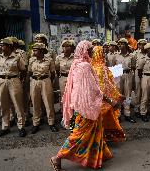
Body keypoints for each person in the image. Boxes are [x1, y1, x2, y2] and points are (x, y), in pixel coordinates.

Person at [50, 40, 117, 170]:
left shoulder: (77, 64)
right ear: (84, 51)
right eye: (90, 50)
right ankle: (57, 157)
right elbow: (94, 89)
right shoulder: (84, 66)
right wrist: (110, 101)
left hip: (81, 104)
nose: (92, 52)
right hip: (86, 107)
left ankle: (99, 156)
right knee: (79, 135)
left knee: (94, 131)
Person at [91, 46, 126, 142]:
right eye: (102, 53)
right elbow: (107, 85)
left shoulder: (90, 67)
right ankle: (104, 138)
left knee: (96, 120)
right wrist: (117, 95)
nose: (103, 55)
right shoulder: (102, 69)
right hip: (105, 98)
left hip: (94, 99)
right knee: (106, 119)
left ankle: (96, 138)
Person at [0, 38, 27, 138]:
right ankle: (5, 126)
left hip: (14, 80)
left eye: (3, 45)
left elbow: (23, 71)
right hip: (1, 81)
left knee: (18, 104)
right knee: (3, 104)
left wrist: (19, 81)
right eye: (0, 45)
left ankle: (21, 126)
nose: (1, 47)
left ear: (9, 46)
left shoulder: (17, 57)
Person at [28, 43, 57, 134]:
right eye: (34, 49)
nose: (34, 51)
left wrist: (48, 81)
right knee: (35, 103)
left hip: (45, 81)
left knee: (48, 102)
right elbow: (29, 72)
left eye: (36, 50)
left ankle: (51, 122)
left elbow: (52, 73)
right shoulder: (31, 60)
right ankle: (35, 123)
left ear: (41, 51)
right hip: (34, 81)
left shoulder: (49, 60)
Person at [115, 38, 136, 123]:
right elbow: (113, 66)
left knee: (127, 95)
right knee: (119, 95)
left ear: (126, 45)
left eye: (122, 44)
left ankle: (127, 114)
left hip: (128, 74)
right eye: (119, 44)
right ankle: (118, 115)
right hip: (118, 74)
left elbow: (133, 66)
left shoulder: (131, 56)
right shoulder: (116, 55)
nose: (120, 45)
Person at [133, 39, 147, 118]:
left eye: (144, 44)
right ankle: (136, 108)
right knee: (138, 91)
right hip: (137, 73)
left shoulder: (148, 53)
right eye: (141, 44)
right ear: (138, 45)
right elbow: (133, 64)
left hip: (146, 74)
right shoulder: (135, 54)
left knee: (145, 91)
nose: (143, 46)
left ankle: (144, 108)